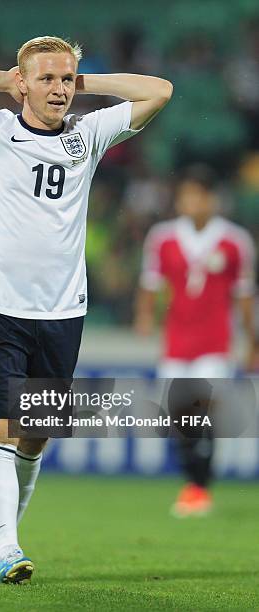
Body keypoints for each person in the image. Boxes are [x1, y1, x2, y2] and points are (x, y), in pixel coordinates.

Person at [0, 35, 172, 583]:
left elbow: (159, 91)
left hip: (62, 311)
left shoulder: (88, 134)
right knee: (0, 427)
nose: (60, 90)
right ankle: (3, 547)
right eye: (47, 79)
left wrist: (88, 83)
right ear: (21, 85)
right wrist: (5, 77)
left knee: (36, 435)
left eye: (66, 80)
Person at [135, 165, 256, 517]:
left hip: (216, 341)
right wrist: (145, 316)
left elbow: (244, 294)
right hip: (176, 341)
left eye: (200, 195)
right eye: (187, 195)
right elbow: (150, 283)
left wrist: (252, 340)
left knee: (201, 409)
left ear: (212, 199)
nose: (193, 202)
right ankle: (195, 483)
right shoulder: (163, 237)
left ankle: (199, 487)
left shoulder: (234, 240)